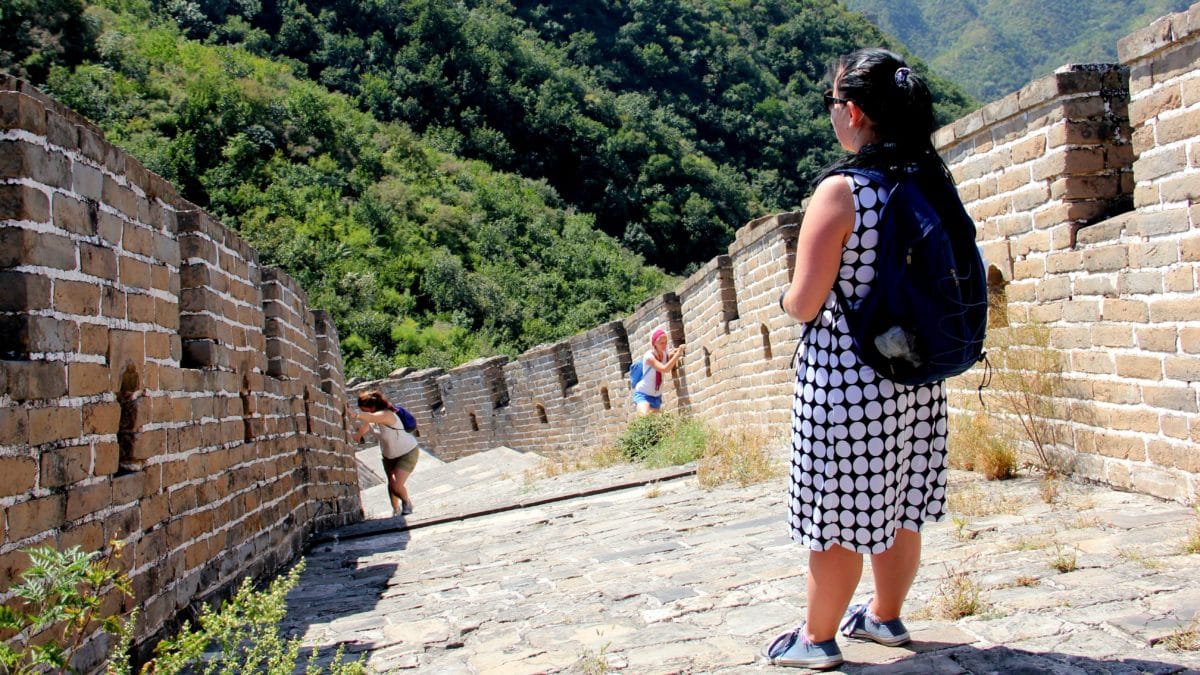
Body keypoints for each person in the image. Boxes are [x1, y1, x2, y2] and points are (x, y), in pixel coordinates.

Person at [766, 48, 953, 669]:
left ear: (852, 111)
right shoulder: (928, 178)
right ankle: (884, 617)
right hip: (916, 373)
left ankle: (816, 639)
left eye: (832, 105)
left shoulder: (841, 192)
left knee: (838, 512)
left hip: (848, 380)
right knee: (900, 501)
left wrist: (789, 295)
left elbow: (804, 301)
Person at [352, 390, 420, 517]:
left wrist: (355, 415)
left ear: (371, 407)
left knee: (396, 485)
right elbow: (369, 423)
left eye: (364, 409)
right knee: (391, 483)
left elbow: (371, 418)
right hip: (388, 455)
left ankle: (407, 502)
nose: (363, 412)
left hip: (407, 452)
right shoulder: (374, 415)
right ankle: (395, 509)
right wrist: (358, 435)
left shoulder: (386, 414)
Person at [632, 327, 685, 415]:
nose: (664, 345)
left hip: (657, 397)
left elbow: (668, 357)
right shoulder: (649, 357)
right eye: (661, 343)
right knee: (645, 419)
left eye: (665, 342)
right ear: (654, 343)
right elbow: (665, 369)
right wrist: (678, 354)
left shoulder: (664, 354)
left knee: (656, 426)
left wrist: (675, 352)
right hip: (643, 394)